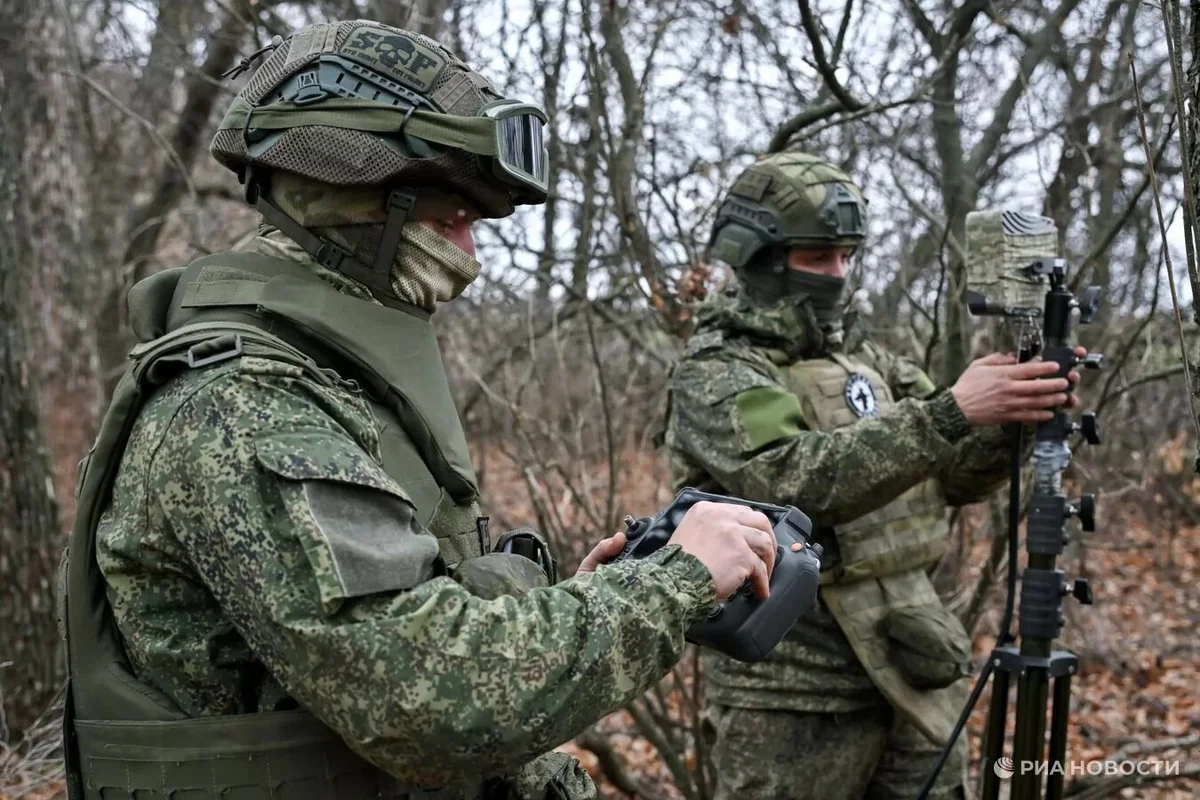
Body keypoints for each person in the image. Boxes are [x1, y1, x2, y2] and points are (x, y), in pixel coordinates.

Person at [58, 21, 779, 800]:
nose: (470, 253)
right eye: (446, 220)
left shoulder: (331, 379)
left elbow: (391, 622)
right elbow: (427, 700)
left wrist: (576, 600)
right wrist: (672, 582)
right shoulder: (244, 405)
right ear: (352, 201)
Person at [662, 151, 1084, 799]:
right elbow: (791, 479)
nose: (838, 275)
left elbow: (953, 477)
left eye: (846, 257)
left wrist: (1012, 418)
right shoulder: (720, 370)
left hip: (910, 660)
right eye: (817, 258)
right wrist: (949, 411)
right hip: (795, 690)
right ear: (762, 260)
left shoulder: (867, 360)